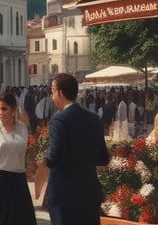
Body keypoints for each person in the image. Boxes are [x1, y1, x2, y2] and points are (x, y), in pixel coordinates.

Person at [45, 73, 110, 225]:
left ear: (60, 93)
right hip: (89, 193)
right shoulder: (94, 119)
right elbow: (103, 158)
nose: (51, 95)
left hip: (64, 195)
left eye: (52, 91)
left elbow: (53, 157)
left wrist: (43, 162)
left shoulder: (59, 120)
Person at [0, 92, 36, 225]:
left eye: (4, 109)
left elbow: (27, 152)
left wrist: (31, 166)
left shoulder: (22, 128)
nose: (1, 113)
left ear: (13, 109)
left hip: (19, 180)